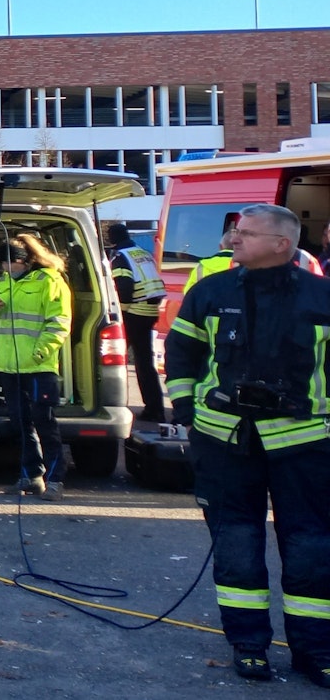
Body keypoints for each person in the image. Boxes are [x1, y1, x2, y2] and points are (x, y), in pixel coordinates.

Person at [165, 202, 330, 686]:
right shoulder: (210, 292)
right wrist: (187, 411)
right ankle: (249, 644)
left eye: (246, 234)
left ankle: (316, 650)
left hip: (305, 445)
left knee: (311, 548)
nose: (233, 240)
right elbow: (181, 350)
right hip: (224, 442)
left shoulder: (322, 298)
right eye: (235, 232)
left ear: (283, 244)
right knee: (237, 543)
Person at [0, 232, 71, 500]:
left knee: (45, 423)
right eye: (2, 264)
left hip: (38, 367)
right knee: (20, 424)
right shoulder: (1, 283)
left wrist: (38, 354)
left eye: (9, 263)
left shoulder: (50, 282)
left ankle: (55, 480)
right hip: (9, 367)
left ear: (25, 261)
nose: (5, 269)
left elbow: (59, 323)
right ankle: (31, 476)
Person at [105, 223, 168, 423]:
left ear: (112, 238)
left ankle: (114, 405)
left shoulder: (121, 257)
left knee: (114, 361)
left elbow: (124, 289)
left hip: (134, 313)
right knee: (144, 362)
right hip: (149, 311)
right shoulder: (142, 253)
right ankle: (155, 407)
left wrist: (117, 316)